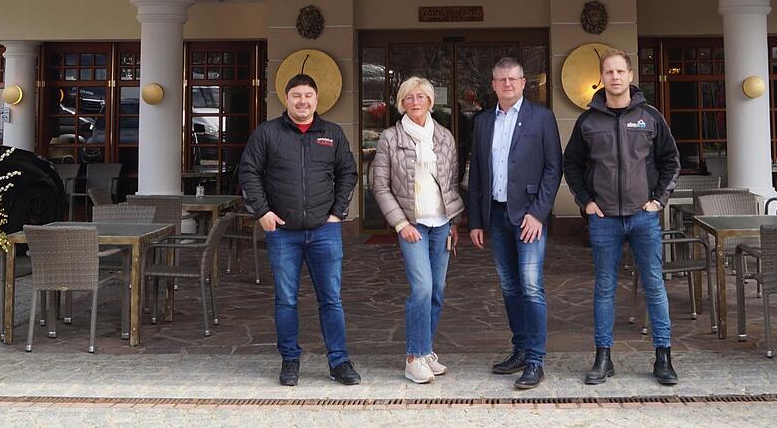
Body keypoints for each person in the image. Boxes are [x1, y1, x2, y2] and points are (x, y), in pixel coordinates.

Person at [563, 48, 681, 386]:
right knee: (604, 289)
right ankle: (603, 358)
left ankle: (663, 357)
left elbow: (671, 161)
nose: (615, 77)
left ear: (630, 75)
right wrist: (585, 201)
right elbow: (571, 164)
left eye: (620, 71)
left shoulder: (650, 117)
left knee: (655, 286)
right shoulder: (588, 121)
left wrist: (658, 200)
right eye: (609, 72)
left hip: (643, 216)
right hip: (604, 219)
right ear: (603, 78)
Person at [238, 73, 360, 387]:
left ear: (316, 99)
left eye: (308, 95)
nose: (302, 101)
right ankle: (290, 360)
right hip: (283, 233)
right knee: (286, 300)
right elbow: (248, 172)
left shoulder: (331, 133)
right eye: (297, 96)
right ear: (287, 99)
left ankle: (339, 361)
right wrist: (261, 211)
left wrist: (338, 213)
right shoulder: (267, 133)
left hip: (325, 231)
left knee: (331, 299)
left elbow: (348, 172)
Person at [467, 57, 562, 390]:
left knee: (532, 286)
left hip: (528, 216)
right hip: (495, 215)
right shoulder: (481, 122)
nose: (507, 83)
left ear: (524, 83)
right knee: (509, 286)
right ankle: (520, 349)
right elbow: (476, 174)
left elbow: (554, 169)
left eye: (513, 78)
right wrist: (475, 221)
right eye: (501, 79)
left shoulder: (543, 118)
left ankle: (536, 360)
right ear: (493, 85)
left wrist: (539, 213)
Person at [372, 76, 464, 384]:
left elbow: (451, 183)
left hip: (441, 224)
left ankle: (426, 352)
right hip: (412, 225)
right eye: (409, 97)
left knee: (437, 292)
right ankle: (413, 357)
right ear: (401, 103)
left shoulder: (445, 137)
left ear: (430, 101)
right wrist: (400, 223)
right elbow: (380, 186)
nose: (415, 102)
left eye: (421, 97)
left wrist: (454, 222)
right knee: (422, 289)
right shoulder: (389, 137)